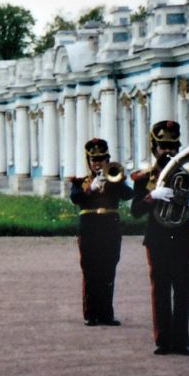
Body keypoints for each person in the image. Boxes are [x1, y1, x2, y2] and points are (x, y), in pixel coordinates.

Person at [130, 121, 189, 356]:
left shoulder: (187, 175)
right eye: (163, 146)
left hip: (183, 238)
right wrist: (152, 196)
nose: (168, 151)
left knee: (183, 290)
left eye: (172, 146)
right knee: (160, 290)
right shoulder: (143, 177)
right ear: (154, 149)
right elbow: (135, 211)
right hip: (157, 238)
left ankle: (182, 342)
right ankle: (163, 340)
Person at [69, 138, 133, 326]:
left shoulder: (114, 178)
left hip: (110, 228)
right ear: (88, 161)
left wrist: (117, 182)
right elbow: (75, 198)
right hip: (89, 228)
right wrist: (91, 188)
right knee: (90, 271)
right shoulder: (80, 181)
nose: (97, 163)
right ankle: (91, 314)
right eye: (94, 159)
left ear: (107, 160)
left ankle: (106, 314)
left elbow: (128, 195)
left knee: (108, 270)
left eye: (101, 159)